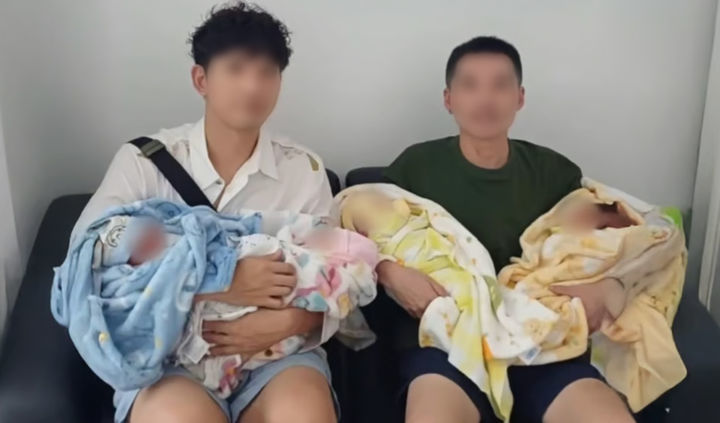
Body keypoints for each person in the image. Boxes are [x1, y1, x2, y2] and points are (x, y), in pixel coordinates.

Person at [70, 3, 338, 423]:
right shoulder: (144, 162)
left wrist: (291, 321)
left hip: (276, 356)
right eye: (236, 69)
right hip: (168, 356)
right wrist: (217, 281)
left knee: (302, 413)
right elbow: (88, 258)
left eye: (267, 72)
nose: (252, 86)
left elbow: (338, 278)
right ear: (201, 79)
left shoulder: (304, 170)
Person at [379, 36, 637, 423]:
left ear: (520, 97)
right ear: (449, 99)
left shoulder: (555, 174)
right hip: (448, 348)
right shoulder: (415, 168)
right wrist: (390, 272)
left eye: (500, 85)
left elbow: (603, 248)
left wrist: (606, 287)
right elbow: (362, 240)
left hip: (541, 347)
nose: (485, 99)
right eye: (470, 85)